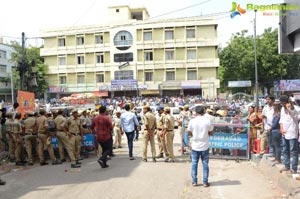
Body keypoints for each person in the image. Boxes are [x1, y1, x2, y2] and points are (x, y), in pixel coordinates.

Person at [187, 106, 214, 187]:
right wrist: (206, 134)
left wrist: (194, 135)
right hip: (204, 146)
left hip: (195, 145)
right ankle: (205, 182)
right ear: (204, 111)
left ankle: (194, 181)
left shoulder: (192, 121)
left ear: (195, 112)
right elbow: (211, 132)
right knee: (205, 164)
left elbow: (188, 132)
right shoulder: (207, 121)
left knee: (194, 164)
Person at [279, 95, 300, 174]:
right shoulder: (282, 109)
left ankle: (294, 168)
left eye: (283, 103)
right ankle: (287, 166)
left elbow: (297, 118)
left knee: (294, 151)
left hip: (292, 133)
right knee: (285, 150)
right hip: (284, 132)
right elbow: (281, 119)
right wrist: (281, 128)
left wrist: (290, 109)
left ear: (286, 102)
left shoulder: (296, 109)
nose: (282, 104)